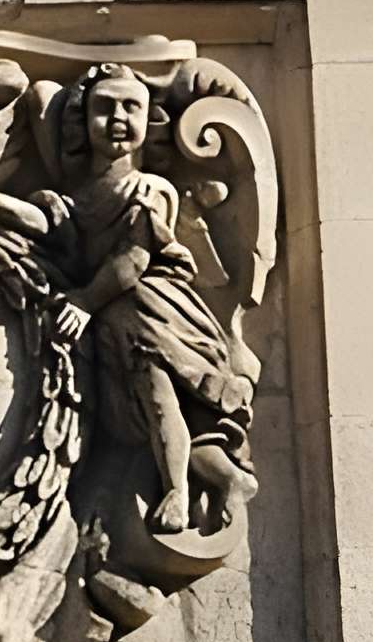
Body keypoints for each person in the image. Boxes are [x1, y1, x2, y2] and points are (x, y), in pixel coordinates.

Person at [46, 65, 253, 536]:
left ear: (148, 121)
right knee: (154, 410)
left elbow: (130, 262)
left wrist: (82, 301)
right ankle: (226, 478)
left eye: (131, 106)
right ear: (82, 121)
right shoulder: (83, 194)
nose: (118, 117)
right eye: (104, 107)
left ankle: (177, 489)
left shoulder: (149, 189)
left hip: (154, 313)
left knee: (160, 401)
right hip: (118, 324)